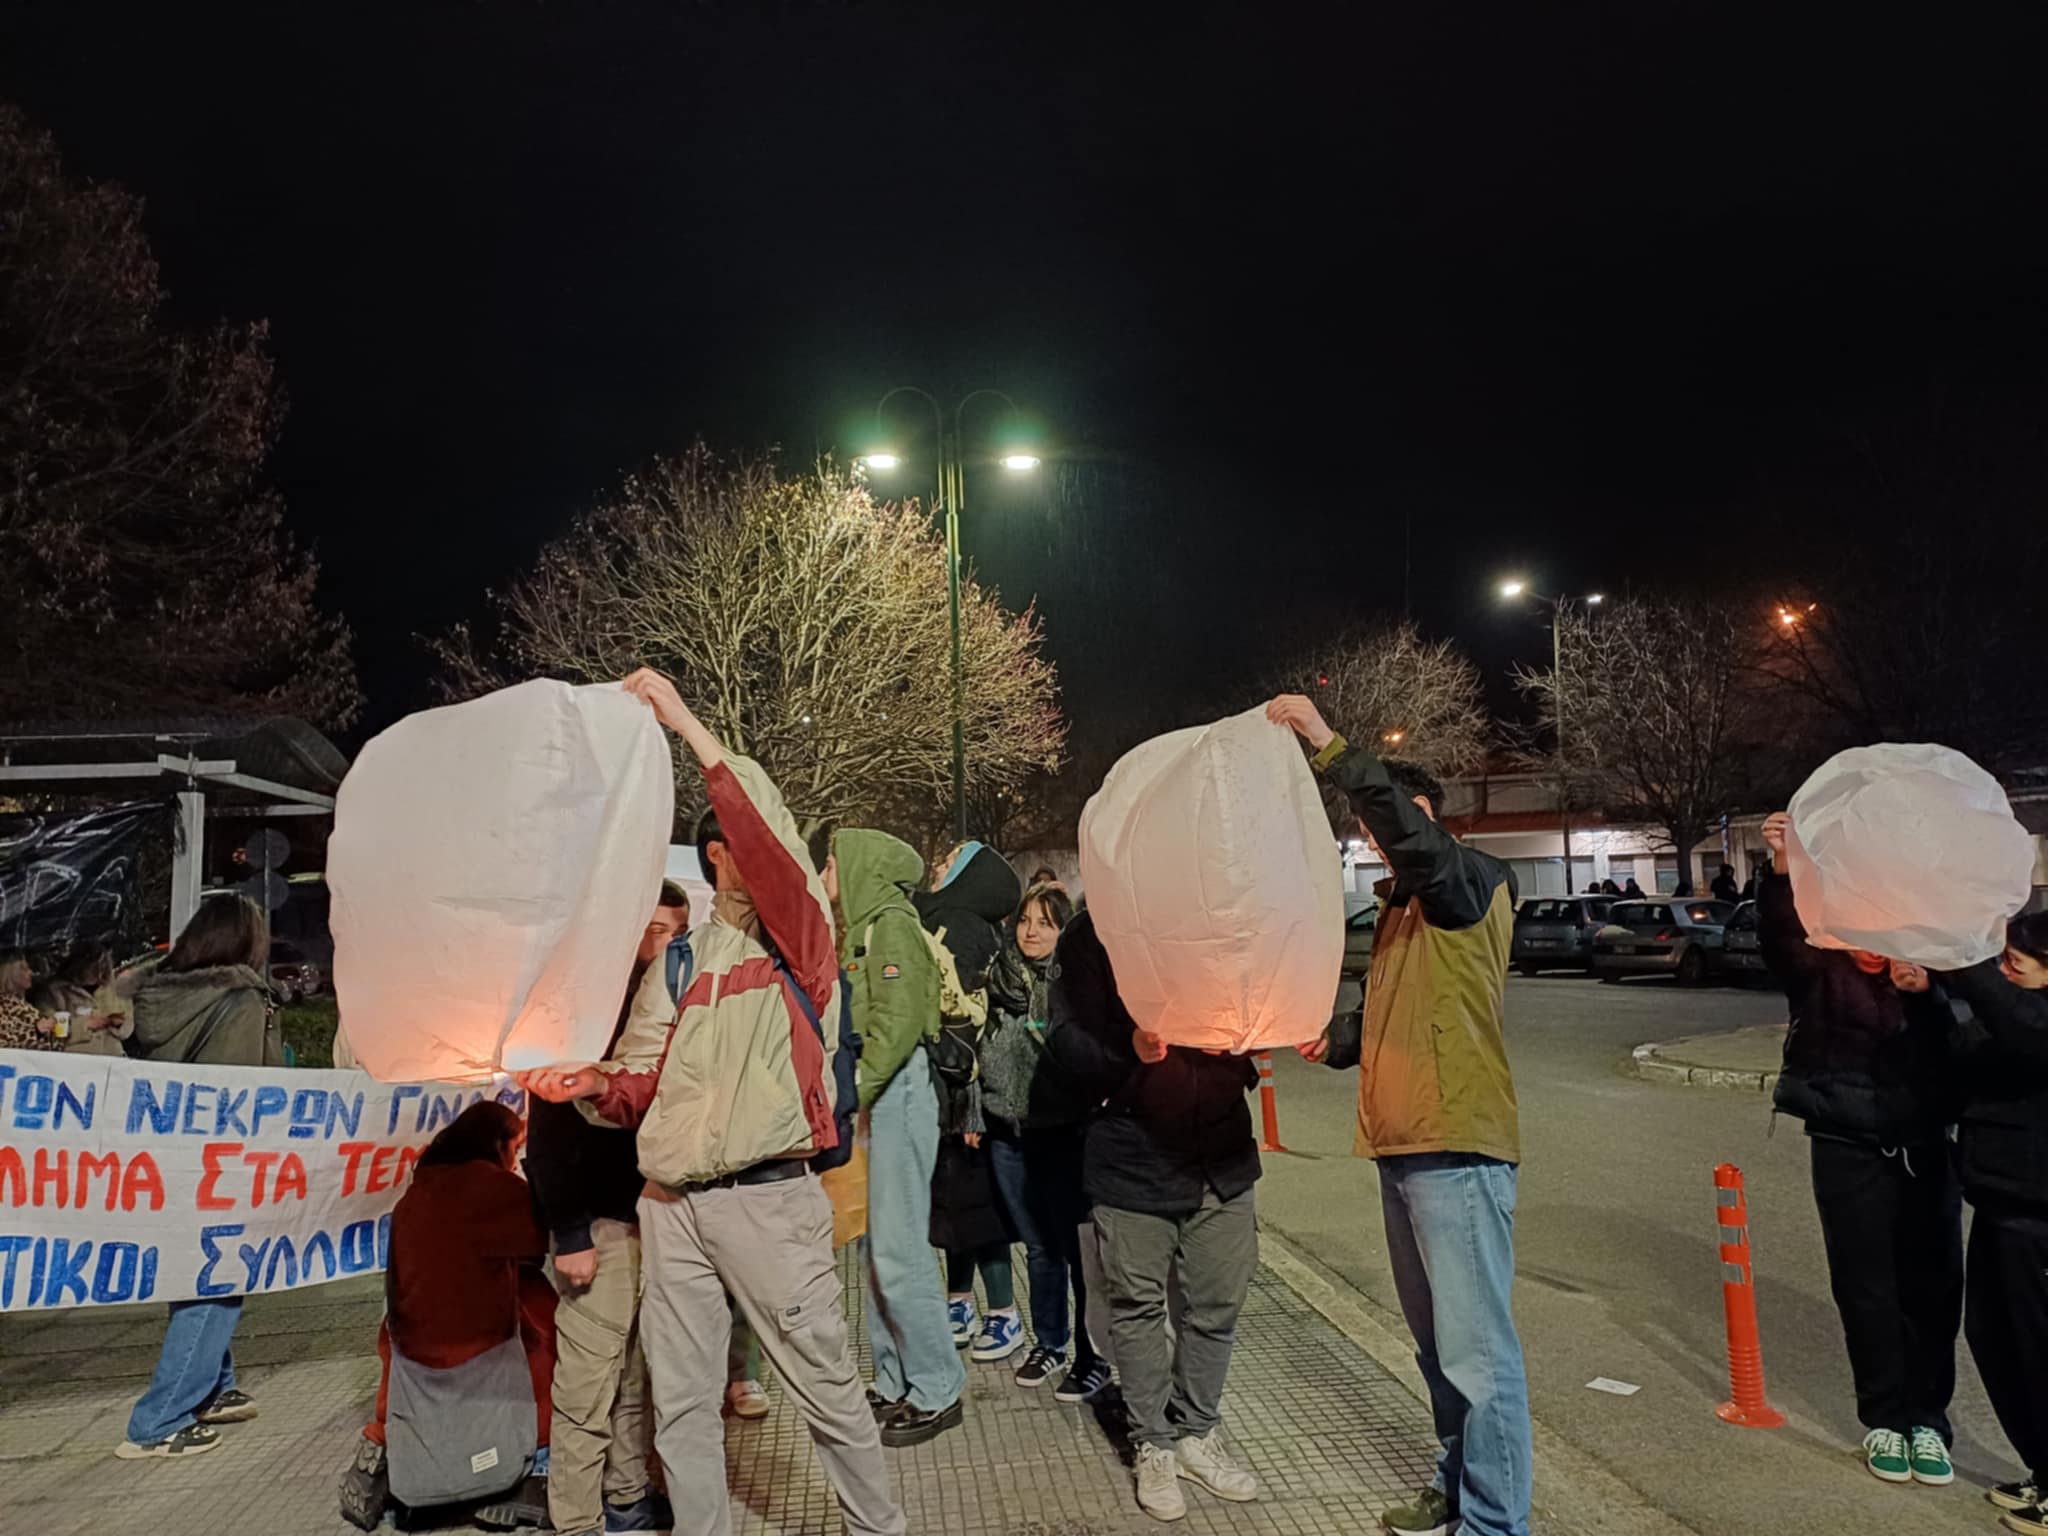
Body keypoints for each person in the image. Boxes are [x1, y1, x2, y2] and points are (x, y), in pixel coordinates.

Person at [523, 669, 904, 1536]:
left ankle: (879, 1527)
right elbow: (642, 1084)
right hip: (671, 1207)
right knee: (683, 1404)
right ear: (715, 860)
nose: (749, 846)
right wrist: (592, 1088)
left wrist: (685, 724)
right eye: (730, 840)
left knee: (826, 1387)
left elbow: (768, 834)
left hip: (768, 1200)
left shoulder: (802, 940)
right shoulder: (683, 961)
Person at [1270, 694, 1531, 1536]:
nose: (1377, 839)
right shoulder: (1401, 911)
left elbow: (1415, 840)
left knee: (1477, 1355)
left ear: (1426, 822)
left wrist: (1327, 745)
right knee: (1438, 1351)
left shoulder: (1468, 881)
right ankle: (1457, 1488)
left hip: (1457, 1145)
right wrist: (1336, 1040)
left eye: (1390, 822)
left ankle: (1497, 1522)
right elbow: (1410, 1014)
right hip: (1404, 1142)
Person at [1756, 811, 1961, 1487]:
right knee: (1865, 1284)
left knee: (1932, 1287)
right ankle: (1884, 1417)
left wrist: (1927, 993)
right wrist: (1785, 868)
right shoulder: (1823, 958)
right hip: (1846, 1134)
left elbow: (1969, 1031)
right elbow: (1783, 939)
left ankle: (1928, 1418)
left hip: (1927, 1139)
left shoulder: (1936, 955)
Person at [1046, 907, 1261, 1522]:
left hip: (1222, 1154)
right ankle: (1153, 1442)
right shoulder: (1094, 929)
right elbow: (1065, 1037)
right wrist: (1127, 1051)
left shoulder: (1221, 913)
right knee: (1136, 1306)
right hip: (1131, 1153)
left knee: (1217, 1304)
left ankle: (1196, 1430)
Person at [523, 880, 692, 1536]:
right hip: (597, 1223)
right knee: (588, 1385)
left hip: (648, 1215)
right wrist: (569, 1231)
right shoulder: (583, 1012)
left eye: (675, 934)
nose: (663, 945)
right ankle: (575, 1520)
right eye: (652, 930)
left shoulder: (666, 1013)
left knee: (633, 1376)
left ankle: (626, 1497)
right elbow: (549, 1133)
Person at [338, 1101, 557, 1531]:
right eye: (515, 1146)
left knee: (395, 1369)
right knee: (549, 1341)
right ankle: (541, 1471)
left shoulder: (419, 1188)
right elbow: (541, 1240)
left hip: (409, 1336)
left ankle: (380, 1445)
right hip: (473, 1337)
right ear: (499, 1145)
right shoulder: (489, 1186)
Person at [117, 896, 281, 1460]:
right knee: (219, 1279)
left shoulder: (156, 997)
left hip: (164, 1162)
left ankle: (212, 1386)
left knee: (194, 1272)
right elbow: (249, 1090)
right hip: (221, 1163)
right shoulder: (241, 998)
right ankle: (159, 1419)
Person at [825, 827, 967, 1445]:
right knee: (875, 1249)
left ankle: (936, 1387)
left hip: (896, 1090)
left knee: (899, 1249)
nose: (826, 873)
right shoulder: (862, 928)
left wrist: (852, 1084)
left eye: (832, 862)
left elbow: (900, 1020)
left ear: (859, 868)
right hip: (877, 1093)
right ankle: (894, 1382)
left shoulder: (890, 926)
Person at [1935, 911, 2048, 1532]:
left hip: (2036, 1216)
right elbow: (1971, 1051)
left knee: (2036, 1350)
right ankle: (2041, 1466)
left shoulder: (2035, 1022)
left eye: (2017, 964)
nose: (2005, 974)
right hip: (2000, 1204)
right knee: (1997, 1339)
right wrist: (1931, 992)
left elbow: (2021, 1024)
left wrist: (1964, 963)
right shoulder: (2014, 1022)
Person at [981, 883, 1109, 1400]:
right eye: (1025, 921)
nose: (1031, 932)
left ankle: (1091, 1353)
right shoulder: (997, 979)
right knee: (1038, 1248)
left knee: (1079, 1251)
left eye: (1046, 923)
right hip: (1008, 1132)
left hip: (1064, 1130)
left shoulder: (1075, 985)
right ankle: (1050, 1341)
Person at [916, 841, 1024, 1363]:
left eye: (949, 861)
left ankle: (1002, 1310)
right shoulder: (952, 922)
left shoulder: (962, 929)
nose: (937, 868)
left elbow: (969, 1026)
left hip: (966, 1100)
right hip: (947, 1098)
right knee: (953, 1207)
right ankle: (958, 1302)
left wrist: (971, 1106)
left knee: (977, 1210)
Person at [0, 952, 63, 1052]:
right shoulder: (3, 1006)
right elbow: (5, 1042)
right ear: (13, 974)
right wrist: (36, 1031)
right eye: (25, 969)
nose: (31, 973)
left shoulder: (23, 1004)